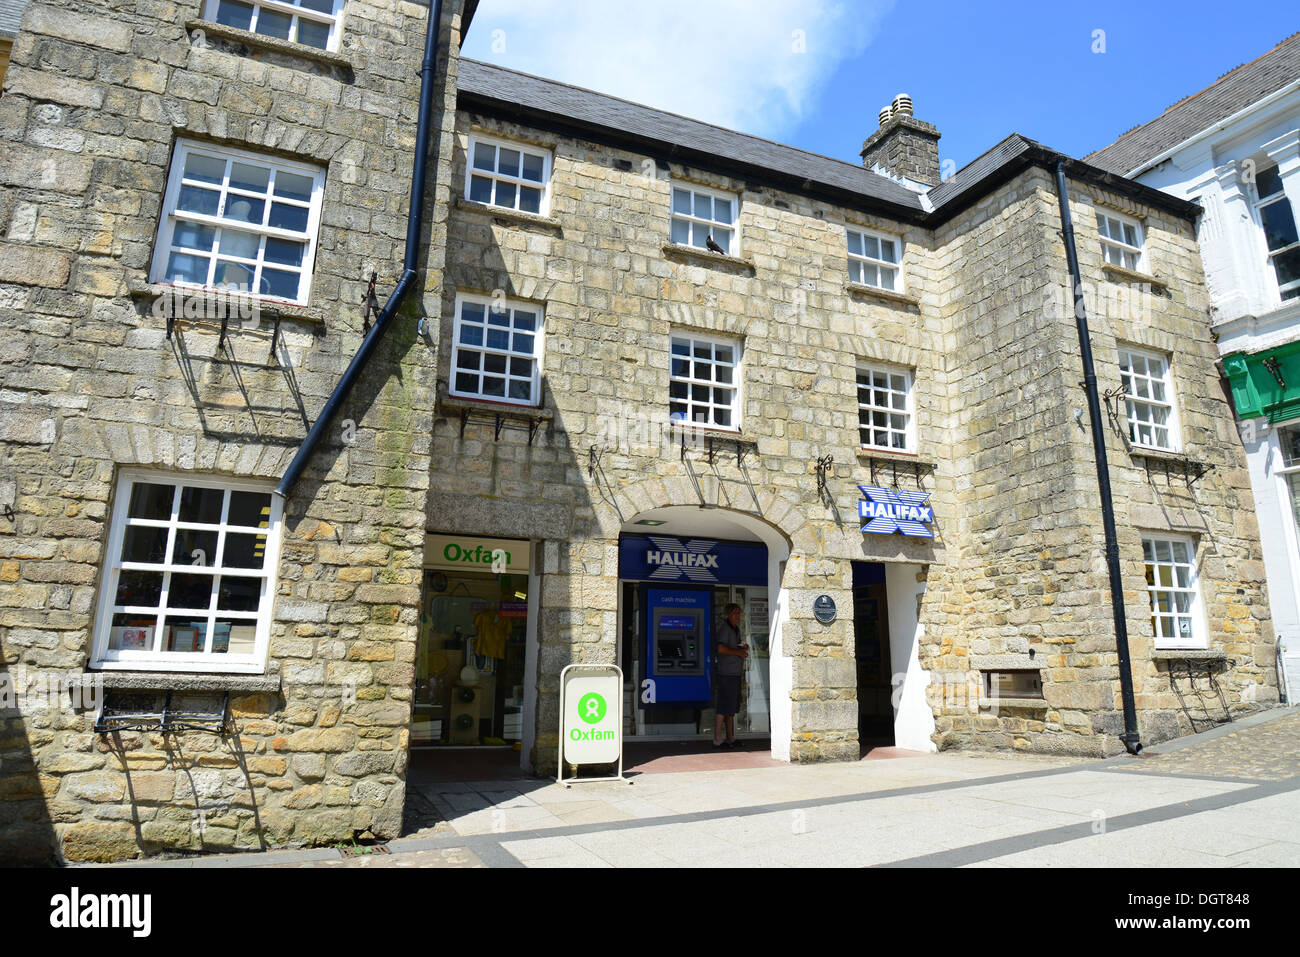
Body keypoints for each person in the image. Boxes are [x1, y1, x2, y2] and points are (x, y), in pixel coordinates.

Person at [713, 602, 748, 748]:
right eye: (734, 613)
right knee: (723, 706)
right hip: (726, 674)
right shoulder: (725, 629)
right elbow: (720, 648)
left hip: (734, 674)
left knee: (731, 708)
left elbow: (733, 646)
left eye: (739, 613)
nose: (737, 616)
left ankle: (730, 738)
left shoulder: (735, 629)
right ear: (728, 614)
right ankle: (717, 738)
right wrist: (738, 652)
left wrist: (742, 647)